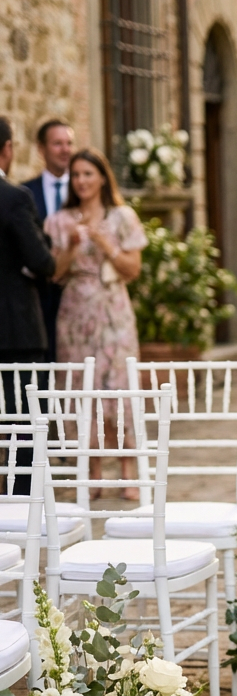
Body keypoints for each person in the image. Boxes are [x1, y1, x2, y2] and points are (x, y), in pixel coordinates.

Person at [45, 148, 147, 497]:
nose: (82, 181)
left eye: (88, 174)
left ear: (102, 176)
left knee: (118, 382)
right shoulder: (61, 219)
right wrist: (72, 247)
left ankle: (127, 468)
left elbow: (133, 270)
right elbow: (54, 274)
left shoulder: (121, 217)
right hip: (75, 311)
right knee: (79, 384)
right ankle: (92, 471)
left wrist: (105, 243)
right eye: (76, 175)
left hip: (112, 307)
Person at [0, 116, 73, 494]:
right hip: (16, 329)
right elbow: (43, 262)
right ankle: (20, 500)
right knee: (24, 419)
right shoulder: (15, 198)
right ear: (8, 149)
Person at [23, 119, 74, 361]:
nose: (65, 149)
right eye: (57, 144)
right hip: (39, 296)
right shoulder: (25, 193)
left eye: (69, 143)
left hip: (75, 295)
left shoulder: (83, 188)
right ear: (41, 148)